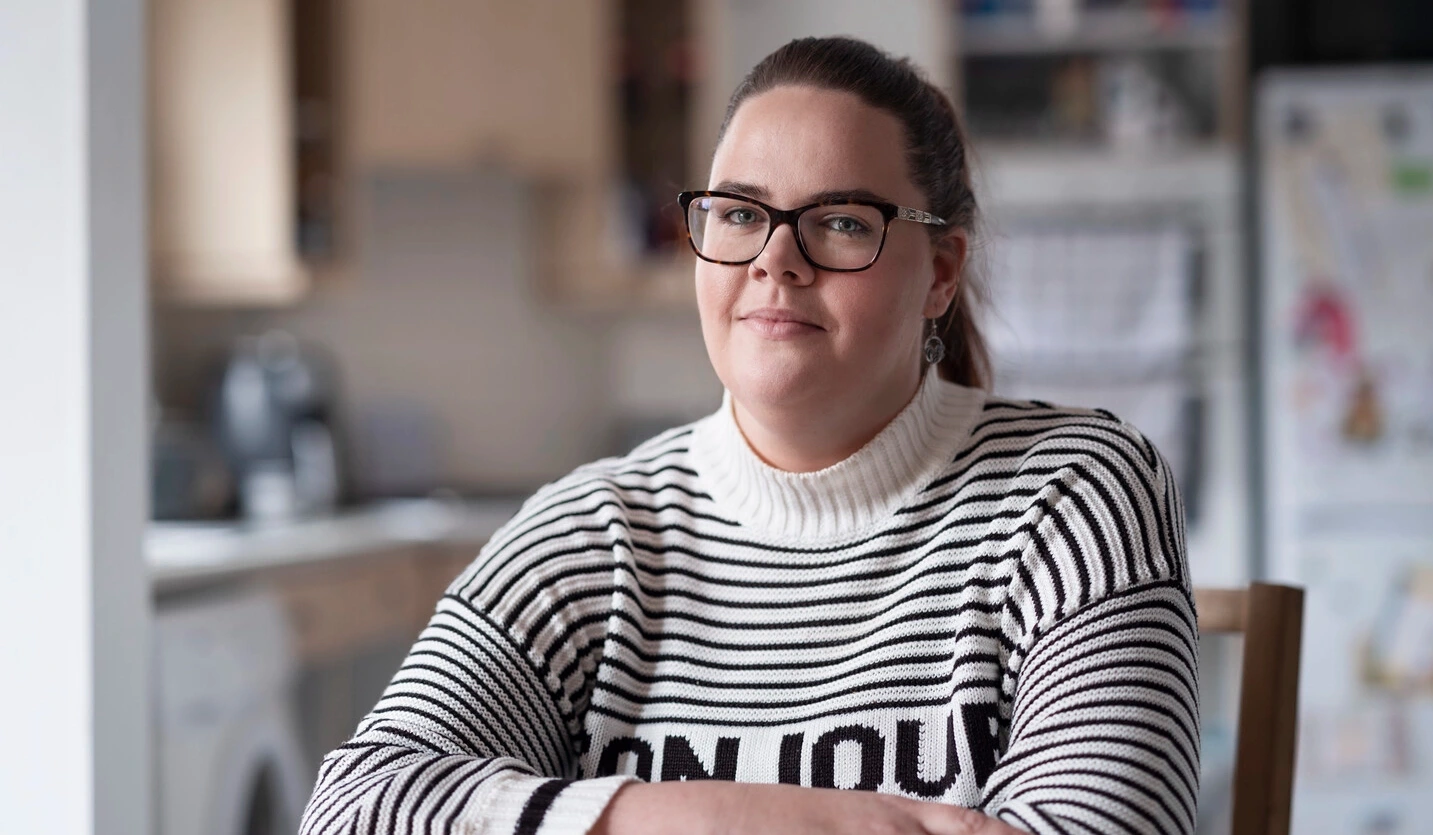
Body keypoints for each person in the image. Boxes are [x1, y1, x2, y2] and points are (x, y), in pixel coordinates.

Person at [299, 36, 1198, 835]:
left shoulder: (1071, 492)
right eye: (737, 213)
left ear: (940, 271)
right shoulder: (591, 535)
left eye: (841, 221)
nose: (775, 258)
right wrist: (771, 819)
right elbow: (358, 806)